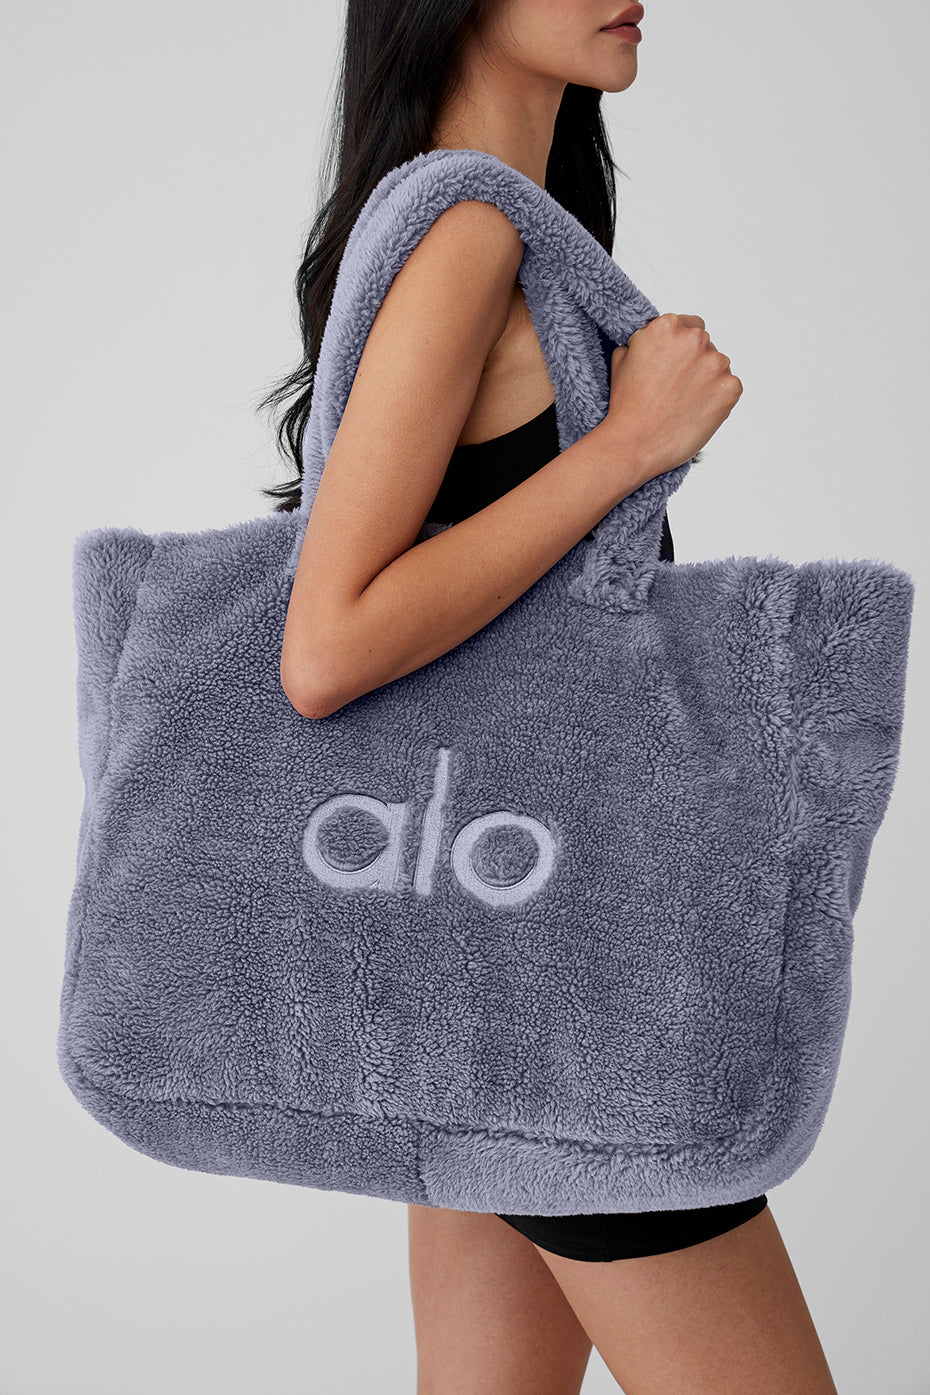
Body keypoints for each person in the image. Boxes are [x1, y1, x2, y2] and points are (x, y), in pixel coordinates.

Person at [265, 2, 838, 1390]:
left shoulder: (492, 229)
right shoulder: (466, 236)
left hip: (482, 961)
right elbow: (325, 648)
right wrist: (625, 448)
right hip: (559, 991)